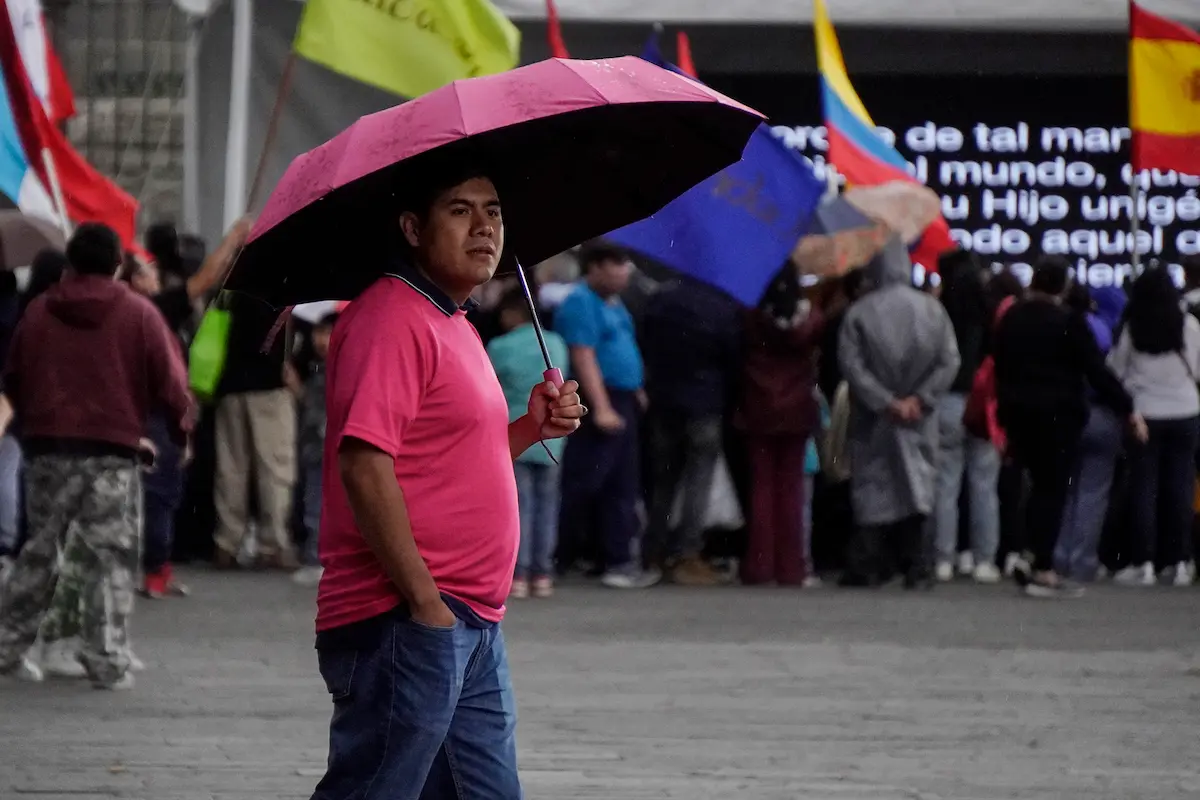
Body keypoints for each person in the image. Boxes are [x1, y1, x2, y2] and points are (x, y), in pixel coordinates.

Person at [310, 167, 584, 800]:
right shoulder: (390, 316)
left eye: (492, 210)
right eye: (460, 211)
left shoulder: (453, 321)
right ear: (412, 227)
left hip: (472, 621)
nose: (485, 226)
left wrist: (530, 427)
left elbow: (454, 453)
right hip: (407, 618)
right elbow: (364, 461)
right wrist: (424, 603)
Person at [0, 223, 193, 689]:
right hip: (112, 453)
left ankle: (7, 645)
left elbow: (14, 377)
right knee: (107, 556)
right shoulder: (139, 314)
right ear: (118, 263)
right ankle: (105, 659)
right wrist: (179, 433)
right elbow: (171, 382)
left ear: (71, 262)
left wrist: (36, 423)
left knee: (42, 550)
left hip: (47, 450)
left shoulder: (40, 312)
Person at [992, 256, 1140, 598]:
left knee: (1030, 486)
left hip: (1017, 413)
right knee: (1052, 488)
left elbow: (999, 366)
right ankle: (1044, 568)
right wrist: (1127, 407)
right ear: (1062, 286)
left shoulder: (1012, 318)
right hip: (1058, 416)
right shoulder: (1068, 322)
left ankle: (1028, 553)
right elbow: (1095, 371)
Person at [837, 238, 960, 588]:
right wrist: (920, 400)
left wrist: (885, 401)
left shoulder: (859, 312)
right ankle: (918, 566)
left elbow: (853, 367)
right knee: (918, 488)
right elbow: (949, 360)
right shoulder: (932, 311)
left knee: (872, 487)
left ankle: (867, 566)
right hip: (920, 418)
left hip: (874, 418)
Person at [553, 241, 657, 588]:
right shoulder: (581, 302)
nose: (624, 271)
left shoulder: (616, 303)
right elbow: (584, 357)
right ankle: (563, 553)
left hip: (623, 396)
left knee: (622, 482)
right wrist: (601, 407)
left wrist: (636, 388)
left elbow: (625, 346)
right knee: (589, 479)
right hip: (600, 398)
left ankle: (616, 559)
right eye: (616, 264)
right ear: (595, 267)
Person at [640, 276, 740, 585]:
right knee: (700, 480)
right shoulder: (720, 306)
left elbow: (644, 342)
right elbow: (732, 356)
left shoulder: (659, 300)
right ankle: (688, 554)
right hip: (705, 401)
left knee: (664, 481)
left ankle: (654, 552)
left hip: (663, 399)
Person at [1107, 267, 1200, 587]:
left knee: (1143, 489)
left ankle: (1143, 561)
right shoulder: (1189, 326)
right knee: (1180, 489)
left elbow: (1115, 371)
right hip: (1186, 412)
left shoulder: (1133, 329)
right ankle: (1179, 563)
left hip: (1145, 416)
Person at [734, 266, 824, 586]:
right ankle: (791, 568)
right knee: (791, 489)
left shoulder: (750, 315)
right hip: (797, 410)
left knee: (761, 488)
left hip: (757, 408)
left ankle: (760, 565)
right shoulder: (811, 320)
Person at [487, 289, 569, 599]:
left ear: (511, 314)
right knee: (547, 504)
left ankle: (518, 573)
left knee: (518, 505)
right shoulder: (556, 343)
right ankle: (542, 572)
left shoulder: (499, 345)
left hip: (511, 432)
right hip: (552, 438)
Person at [931, 250, 1002, 583]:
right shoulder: (990, 316)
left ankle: (944, 557)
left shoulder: (940, 314)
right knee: (984, 484)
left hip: (947, 400)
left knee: (945, 483)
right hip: (983, 404)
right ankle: (983, 559)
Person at [1053, 284, 1126, 583]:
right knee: (1092, 493)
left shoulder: (1063, 326)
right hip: (1103, 413)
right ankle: (1082, 560)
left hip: (1069, 413)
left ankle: (1059, 555)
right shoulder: (1111, 331)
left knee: (1066, 490)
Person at [291, 311, 337, 588]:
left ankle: (316, 557)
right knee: (314, 501)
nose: (321, 339)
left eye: (328, 333)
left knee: (317, 503)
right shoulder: (316, 367)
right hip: (313, 447)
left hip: (327, 446)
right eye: (318, 332)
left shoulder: (340, 368)